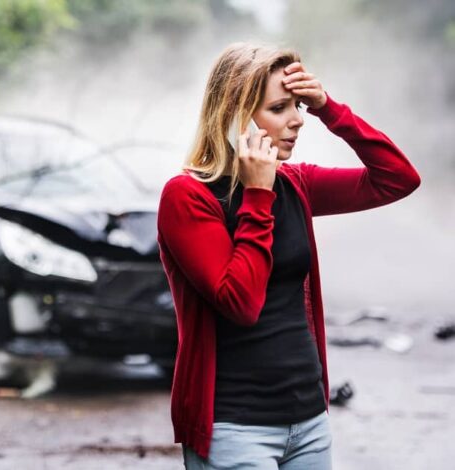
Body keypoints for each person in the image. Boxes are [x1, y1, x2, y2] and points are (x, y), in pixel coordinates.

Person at [156, 42, 420, 469]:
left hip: (308, 422)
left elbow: (398, 179)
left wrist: (329, 108)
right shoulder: (188, 197)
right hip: (235, 429)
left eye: (298, 105)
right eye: (280, 108)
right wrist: (257, 194)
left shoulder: (295, 183)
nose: (298, 120)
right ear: (234, 116)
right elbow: (240, 302)